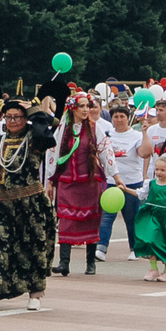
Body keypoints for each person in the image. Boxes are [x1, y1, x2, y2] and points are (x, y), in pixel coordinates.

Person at [0, 96, 58, 313]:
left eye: (18, 117)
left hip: (31, 204)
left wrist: (33, 111)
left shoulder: (35, 138)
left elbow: (48, 133)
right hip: (0, 203)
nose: (13, 121)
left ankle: (36, 293)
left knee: (33, 248)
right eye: (9, 117)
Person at [49, 94, 109, 276]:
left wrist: (115, 176)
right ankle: (64, 263)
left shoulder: (94, 128)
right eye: (81, 106)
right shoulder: (62, 129)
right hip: (67, 182)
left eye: (87, 106)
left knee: (91, 221)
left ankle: (90, 263)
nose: (85, 110)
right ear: (72, 108)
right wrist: (49, 181)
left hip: (89, 182)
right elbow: (52, 155)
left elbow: (106, 151)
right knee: (66, 222)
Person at [97, 103, 148, 262]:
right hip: (111, 182)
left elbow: (144, 153)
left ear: (128, 118)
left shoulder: (136, 135)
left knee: (132, 217)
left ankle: (135, 248)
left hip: (132, 182)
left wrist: (145, 134)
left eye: (122, 116)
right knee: (107, 216)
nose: (119, 120)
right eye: (115, 117)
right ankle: (101, 248)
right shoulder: (106, 134)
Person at [129, 150, 166, 281]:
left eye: (162, 170)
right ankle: (153, 269)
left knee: (165, 242)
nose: (159, 172)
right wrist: (124, 188)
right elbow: (140, 193)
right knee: (150, 239)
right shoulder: (151, 183)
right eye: (157, 169)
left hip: (164, 216)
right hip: (151, 214)